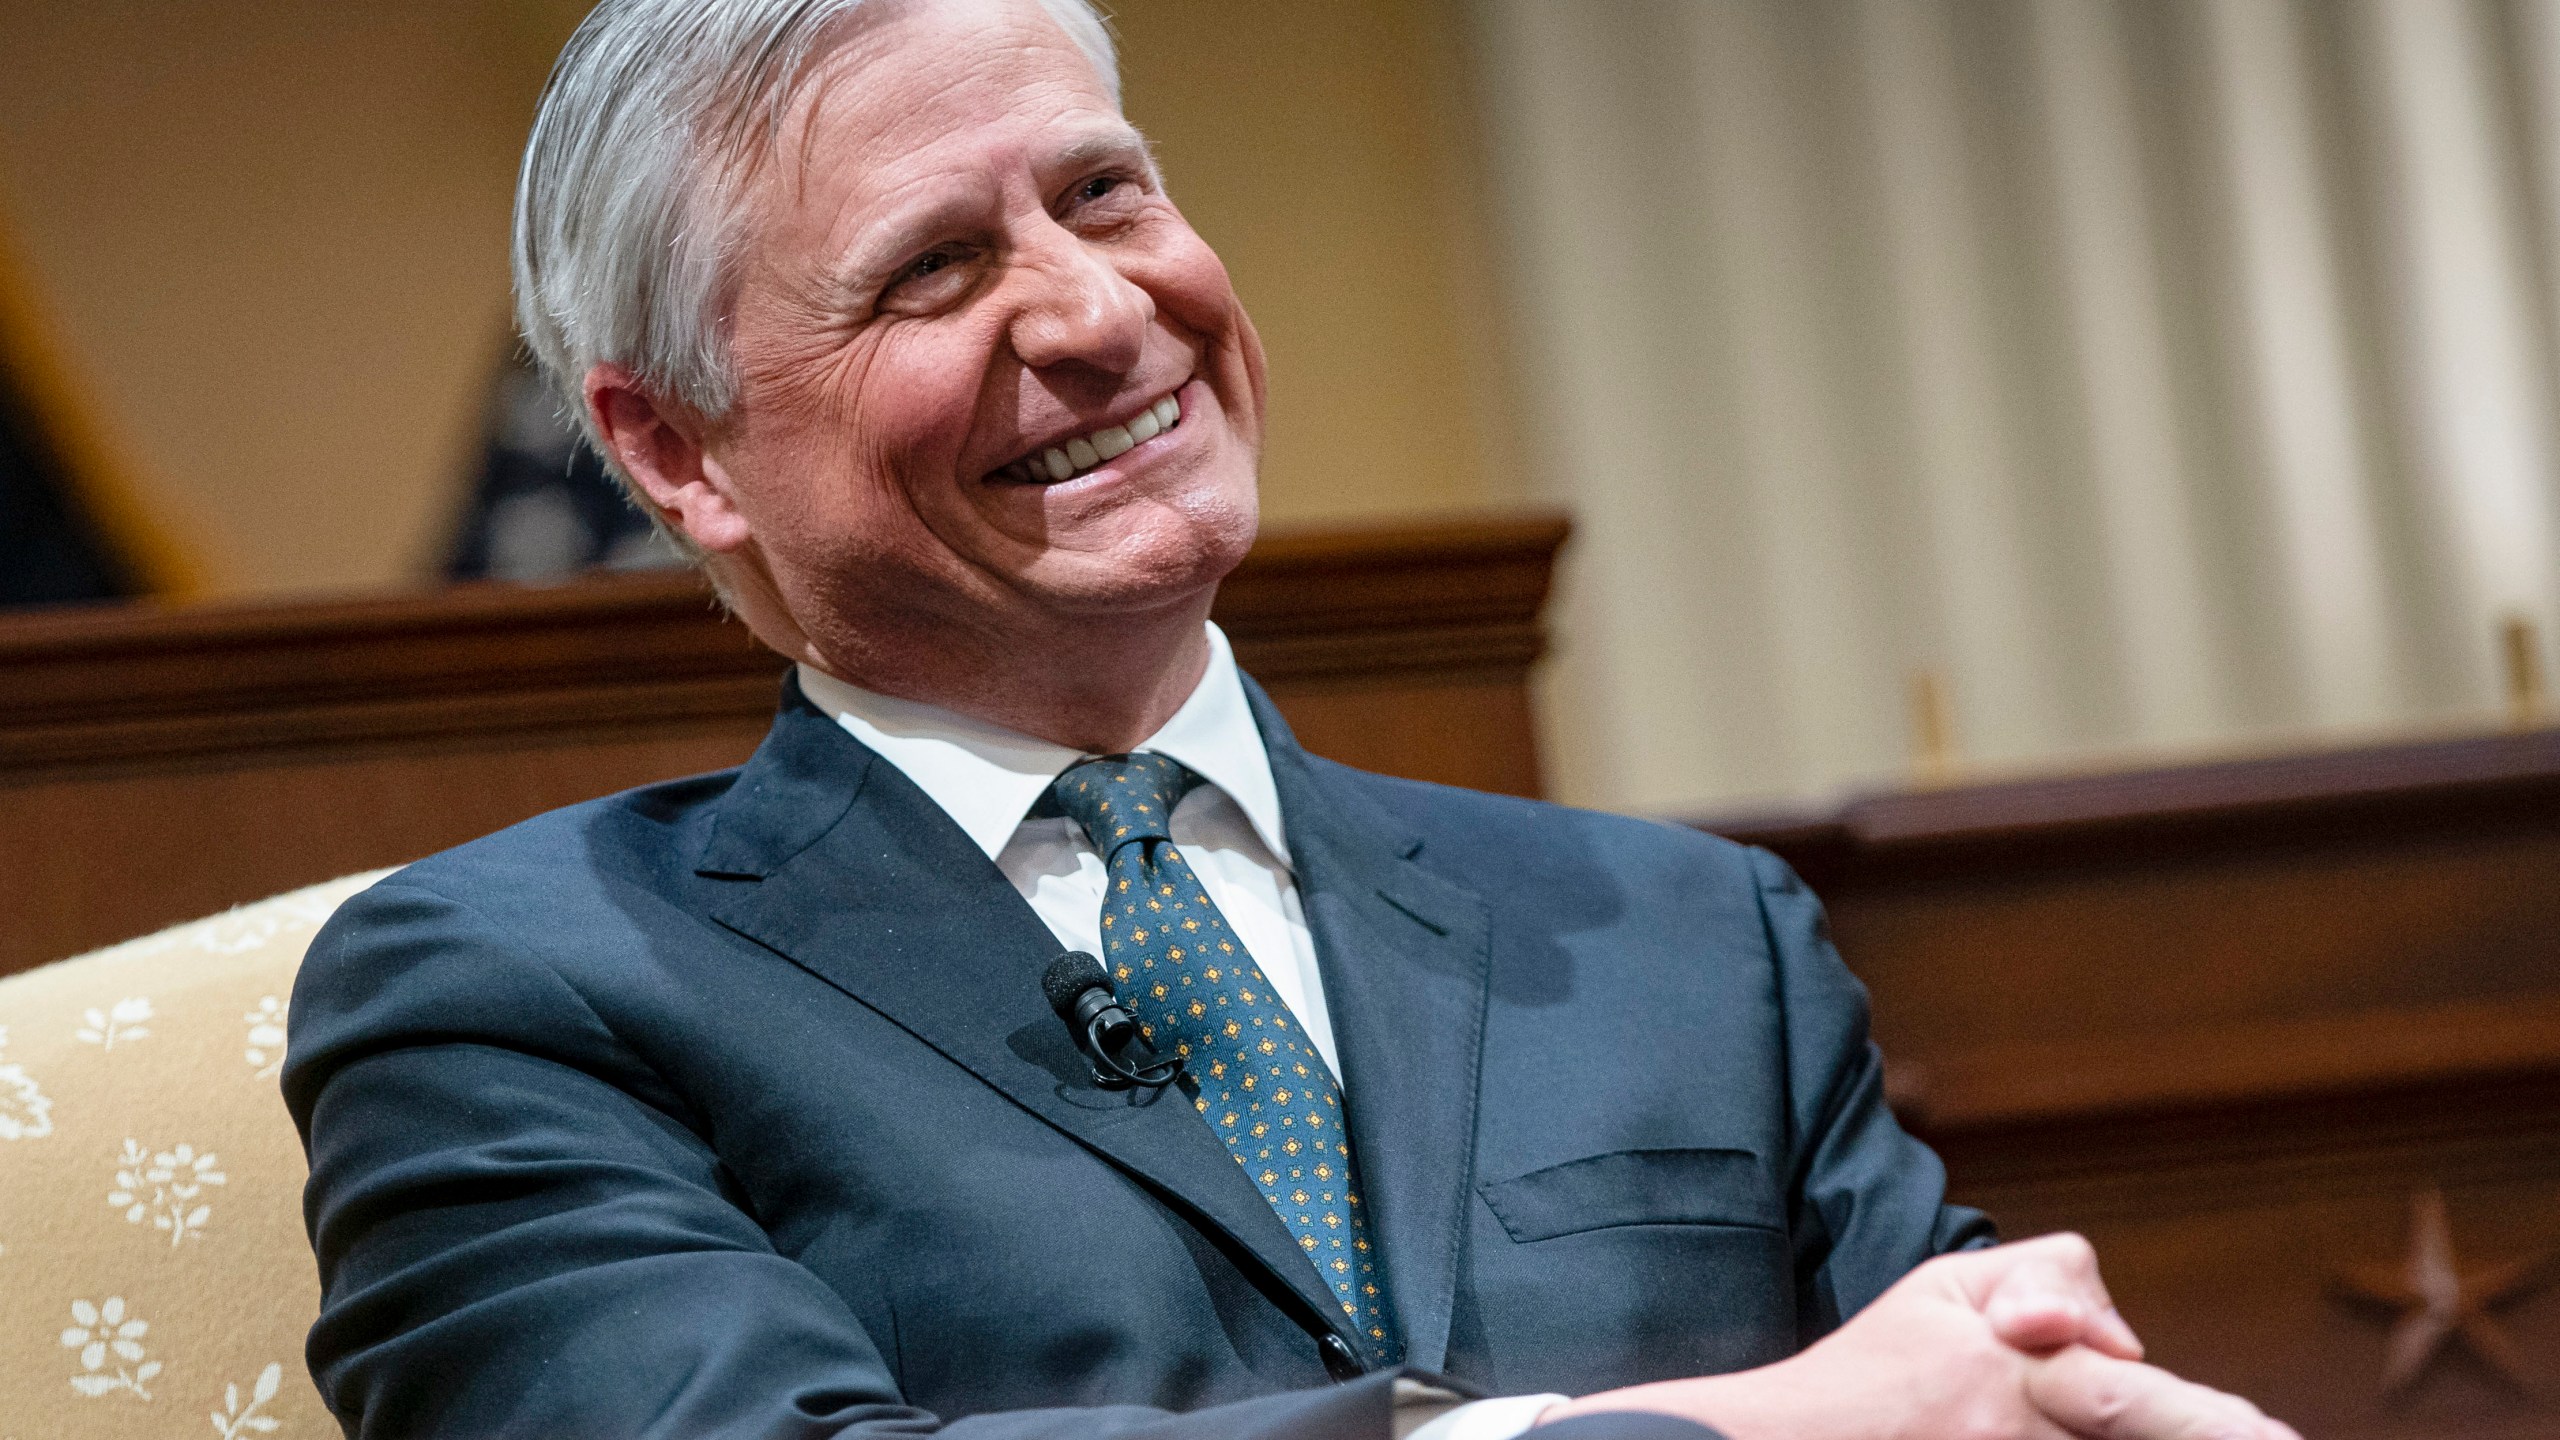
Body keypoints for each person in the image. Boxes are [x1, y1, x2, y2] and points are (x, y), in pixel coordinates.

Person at [283, 2, 2297, 1437]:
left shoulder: (1692, 940)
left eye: (1104, 192)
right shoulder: (508, 992)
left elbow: (1973, 1381)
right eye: (934, 269)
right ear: (672, 449)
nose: (1089, 311)